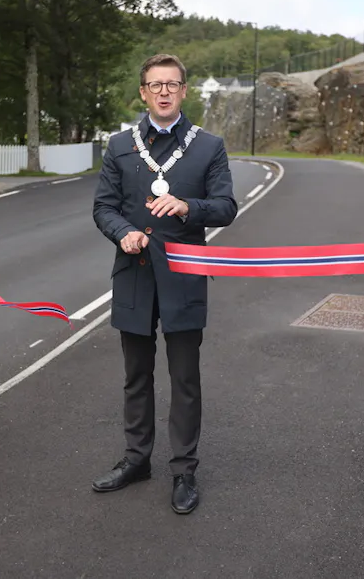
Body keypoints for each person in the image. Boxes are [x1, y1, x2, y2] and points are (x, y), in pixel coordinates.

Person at [92, 53, 237, 514]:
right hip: (133, 275)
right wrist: (123, 232)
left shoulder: (209, 146)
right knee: (135, 377)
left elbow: (226, 207)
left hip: (184, 277)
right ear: (143, 92)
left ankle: (183, 471)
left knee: (184, 379)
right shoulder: (119, 145)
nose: (163, 92)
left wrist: (187, 207)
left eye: (172, 84)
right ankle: (137, 460)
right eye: (155, 85)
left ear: (184, 91)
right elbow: (103, 207)